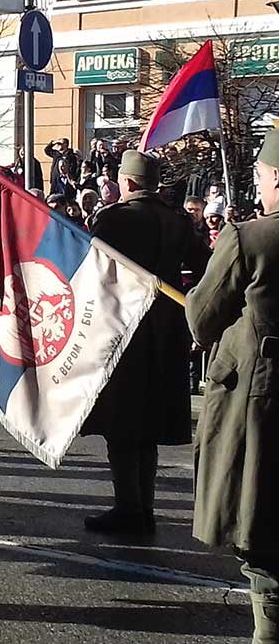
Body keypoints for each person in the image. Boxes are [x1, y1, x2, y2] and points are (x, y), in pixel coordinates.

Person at [80, 151, 210, 535]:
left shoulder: (113, 217)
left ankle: (128, 507)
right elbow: (205, 266)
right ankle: (144, 506)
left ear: (127, 182)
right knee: (148, 422)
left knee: (121, 422)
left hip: (122, 326)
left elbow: (92, 272)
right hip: (166, 328)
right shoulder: (178, 221)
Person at [185, 130, 279, 644]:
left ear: (277, 177)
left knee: (262, 534)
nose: (258, 186)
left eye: (261, 176)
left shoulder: (250, 237)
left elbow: (202, 317)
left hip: (261, 400)